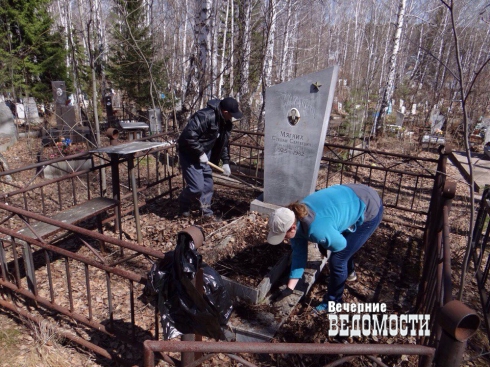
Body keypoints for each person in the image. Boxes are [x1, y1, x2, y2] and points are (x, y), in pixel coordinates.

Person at [267, 184, 383, 310]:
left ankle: (333, 302)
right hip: (351, 198)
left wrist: (326, 243)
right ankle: (349, 273)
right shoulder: (294, 217)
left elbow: (342, 245)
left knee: (337, 260)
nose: (284, 238)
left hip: (369, 206)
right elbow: (299, 254)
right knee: (337, 249)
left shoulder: (316, 229)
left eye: (283, 235)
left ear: (292, 228)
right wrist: (289, 288)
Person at [177, 97, 243, 218]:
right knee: (196, 187)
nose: (233, 117)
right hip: (189, 153)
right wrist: (200, 153)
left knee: (207, 184)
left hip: (204, 153)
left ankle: (206, 212)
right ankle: (184, 202)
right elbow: (188, 136)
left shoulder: (225, 123)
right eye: (232, 114)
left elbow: (222, 143)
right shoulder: (205, 116)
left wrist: (226, 162)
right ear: (225, 112)